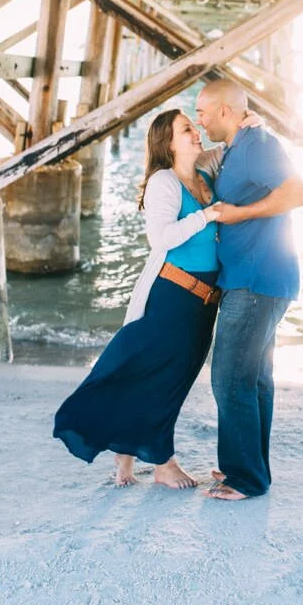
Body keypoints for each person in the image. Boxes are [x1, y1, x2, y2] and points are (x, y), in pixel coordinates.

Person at [53, 108, 227, 489]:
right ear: (167, 142)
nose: (196, 132)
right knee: (158, 377)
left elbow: (230, 147)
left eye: (195, 127)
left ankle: (126, 453)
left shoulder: (201, 173)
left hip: (202, 302)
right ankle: (162, 463)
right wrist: (208, 215)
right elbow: (161, 238)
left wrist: (249, 126)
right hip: (173, 297)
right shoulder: (163, 182)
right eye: (187, 129)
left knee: (165, 377)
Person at [195, 78, 303, 501]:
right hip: (255, 278)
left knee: (229, 378)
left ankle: (244, 478)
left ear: (225, 112)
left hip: (258, 280)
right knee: (255, 378)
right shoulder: (240, 145)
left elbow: (299, 191)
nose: (198, 119)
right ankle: (249, 468)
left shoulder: (258, 144)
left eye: (202, 112)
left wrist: (241, 214)